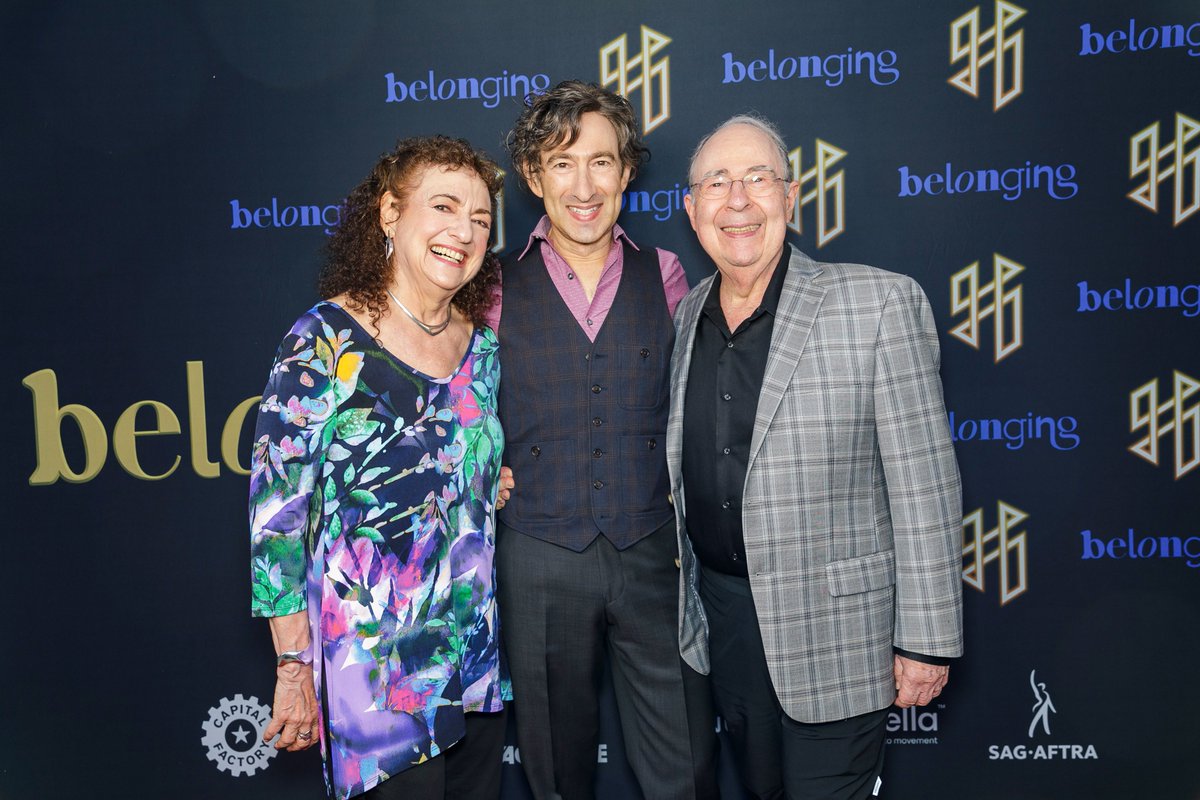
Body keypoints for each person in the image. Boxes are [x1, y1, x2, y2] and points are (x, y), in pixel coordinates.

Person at [668, 114, 964, 800]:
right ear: (691, 207)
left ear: (791, 195)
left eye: (757, 179)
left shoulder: (878, 303)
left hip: (838, 637)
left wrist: (925, 640)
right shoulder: (687, 315)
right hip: (725, 629)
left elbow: (926, 487)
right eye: (717, 182)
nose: (737, 200)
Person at [249, 135, 511, 800]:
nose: (463, 231)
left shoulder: (481, 350)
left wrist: (484, 484)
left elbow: (457, 477)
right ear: (390, 214)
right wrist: (292, 665)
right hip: (376, 679)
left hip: (474, 670)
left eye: (480, 220)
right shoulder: (324, 340)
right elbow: (277, 518)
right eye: (444, 207)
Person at [487, 80, 717, 799]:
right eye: (562, 162)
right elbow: (448, 404)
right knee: (555, 772)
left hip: (653, 551)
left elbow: (703, 403)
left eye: (600, 162)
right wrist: (477, 467)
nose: (583, 185)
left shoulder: (670, 275)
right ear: (532, 176)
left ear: (625, 173)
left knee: (683, 767)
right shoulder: (490, 286)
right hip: (538, 556)